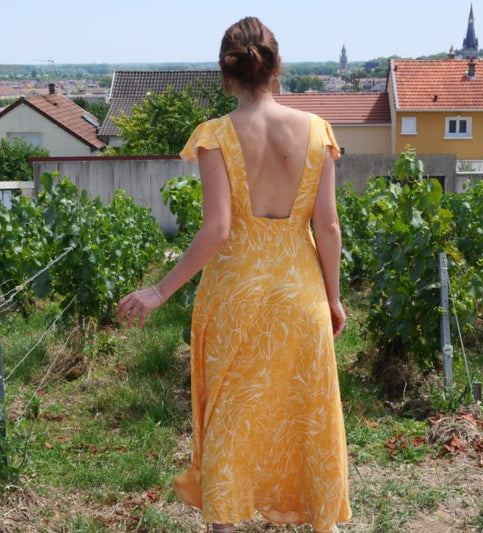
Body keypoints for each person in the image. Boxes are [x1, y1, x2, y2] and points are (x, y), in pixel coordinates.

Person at [118, 16, 351, 533]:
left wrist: (159, 290)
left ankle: (225, 523)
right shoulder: (318, 131)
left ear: (226, 73)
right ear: (275, 67)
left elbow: (217, 230)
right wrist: (333, 299)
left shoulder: (216, 136)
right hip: (300, 291)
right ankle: (321, 520)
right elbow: (328, 226)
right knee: (306, 410)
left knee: (230, 415)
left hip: (235, 294)